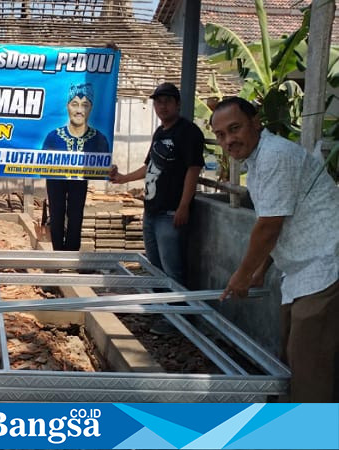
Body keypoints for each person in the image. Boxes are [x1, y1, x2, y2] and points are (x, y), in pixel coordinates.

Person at [211, 97, 339, 402]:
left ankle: (309, 437)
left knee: (310, 372)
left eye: (235, 128)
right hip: (301, 273)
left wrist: (241, 275)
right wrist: (260, 270)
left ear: (256, 123)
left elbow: (268, 226)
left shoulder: (275, 156)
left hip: (325, 267)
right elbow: (277, 220)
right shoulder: (259, 160)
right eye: (221, 135)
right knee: (292, 360)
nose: (229, 140)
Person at [110, 83, 204, 286]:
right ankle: (163, 312)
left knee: (172, 271)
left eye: (167, 102)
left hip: (170, 213)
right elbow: (149, 166)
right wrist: (123, 178)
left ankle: (179, 312)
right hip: (152, 210)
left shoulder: (188, 132)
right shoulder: (160, 133)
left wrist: (184, 206)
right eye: (158, 103)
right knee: (155, 267)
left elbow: (193, 169)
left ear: (178, 104)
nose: (162, 107)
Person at [42, 82, 110, 251]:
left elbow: (103, 161)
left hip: (80, 179)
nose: (79, 110)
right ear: (67, 107)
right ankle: (58, 252)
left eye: (85, 105)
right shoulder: (53, 137)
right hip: (56, 179)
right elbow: (41, 162)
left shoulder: (99, 139)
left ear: (91, 109)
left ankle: (72, 253)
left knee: (76, 214)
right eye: (75, 104)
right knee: (56, 213)